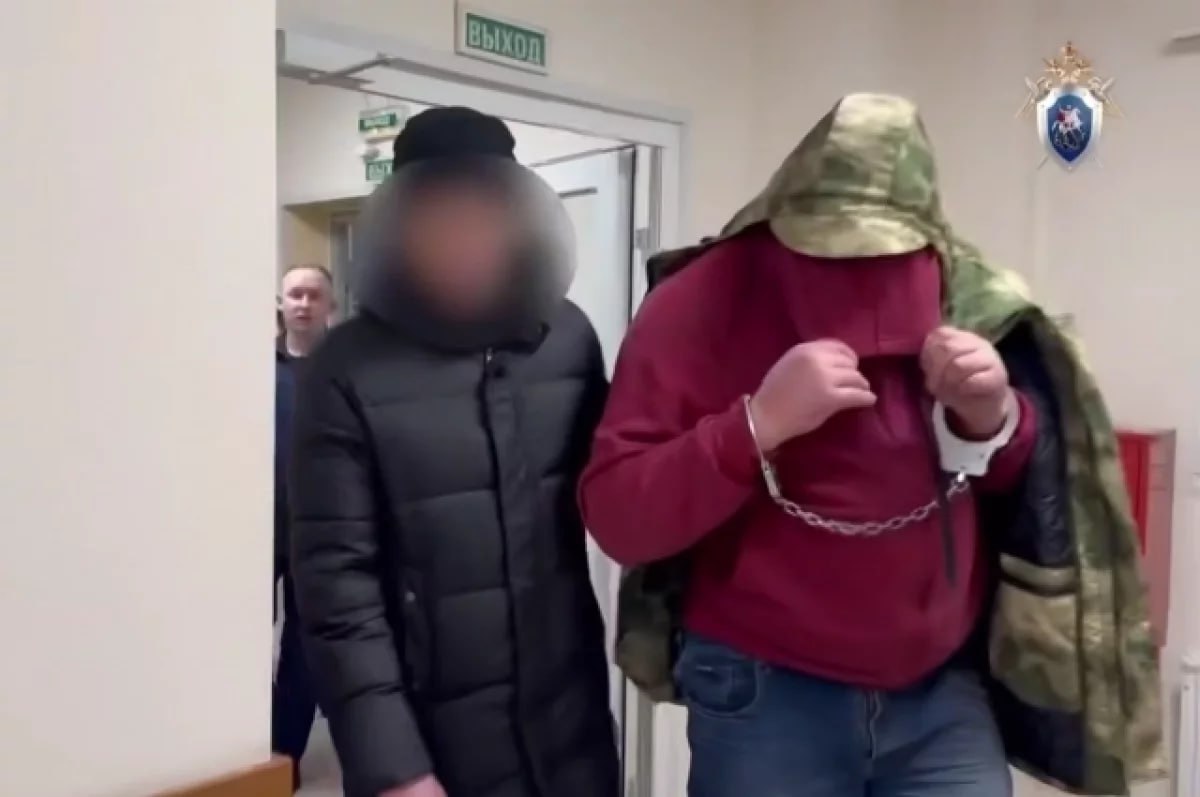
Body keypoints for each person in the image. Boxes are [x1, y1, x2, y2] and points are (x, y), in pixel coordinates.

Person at [580, 94, 1163, 796]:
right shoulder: (701, 298)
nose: (858, 271)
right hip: (766, 688)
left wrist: (996, 417)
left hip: (942, 689)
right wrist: (757, 425)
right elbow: (620, 515)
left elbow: (1032, 494)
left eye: (884, 250)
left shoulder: (973, 296)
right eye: (831, 245)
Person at [288, 107, 619, 797]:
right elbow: (335, 586)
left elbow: (624, 488)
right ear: (402, 226)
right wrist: (394, 768)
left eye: (485, 215)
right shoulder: (346, 366)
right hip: (429, 743)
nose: (466, 237)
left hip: (571, 729)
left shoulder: (565, 337)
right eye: (442, 217)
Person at [274, 263, 336, 790]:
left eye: (314, 295)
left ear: (330, 306)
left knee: (303, 645)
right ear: (280, 303)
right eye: (294, 294)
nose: (303, 304)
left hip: (318, 529)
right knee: (241, 641)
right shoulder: (254, 367)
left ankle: (285, 756)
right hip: (253, 530)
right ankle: (243, 751)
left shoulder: (346, 370)